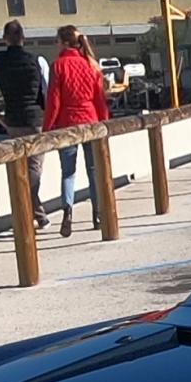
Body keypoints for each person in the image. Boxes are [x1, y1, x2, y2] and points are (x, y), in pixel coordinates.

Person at [0, 20, 50, 229]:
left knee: (19, 167)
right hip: (36, 119)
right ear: (23, 38)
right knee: (34, 167)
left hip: (13, 120)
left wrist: (1, 119)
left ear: (4, 39)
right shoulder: (38, 61)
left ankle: (32, 213)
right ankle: (34, 213)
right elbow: (48, 90)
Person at [43, 25, 111, 237]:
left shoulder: (58, 66)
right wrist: (104, 121)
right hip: (90, 120)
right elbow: (99, 98)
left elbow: (54, 100)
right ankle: (98, 213)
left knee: (68, 172)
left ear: (63, 43)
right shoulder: (90, 65)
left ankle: (68, 212)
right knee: (93, 170)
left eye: (57, 40)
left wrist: (48, 128)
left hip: (67, 124)